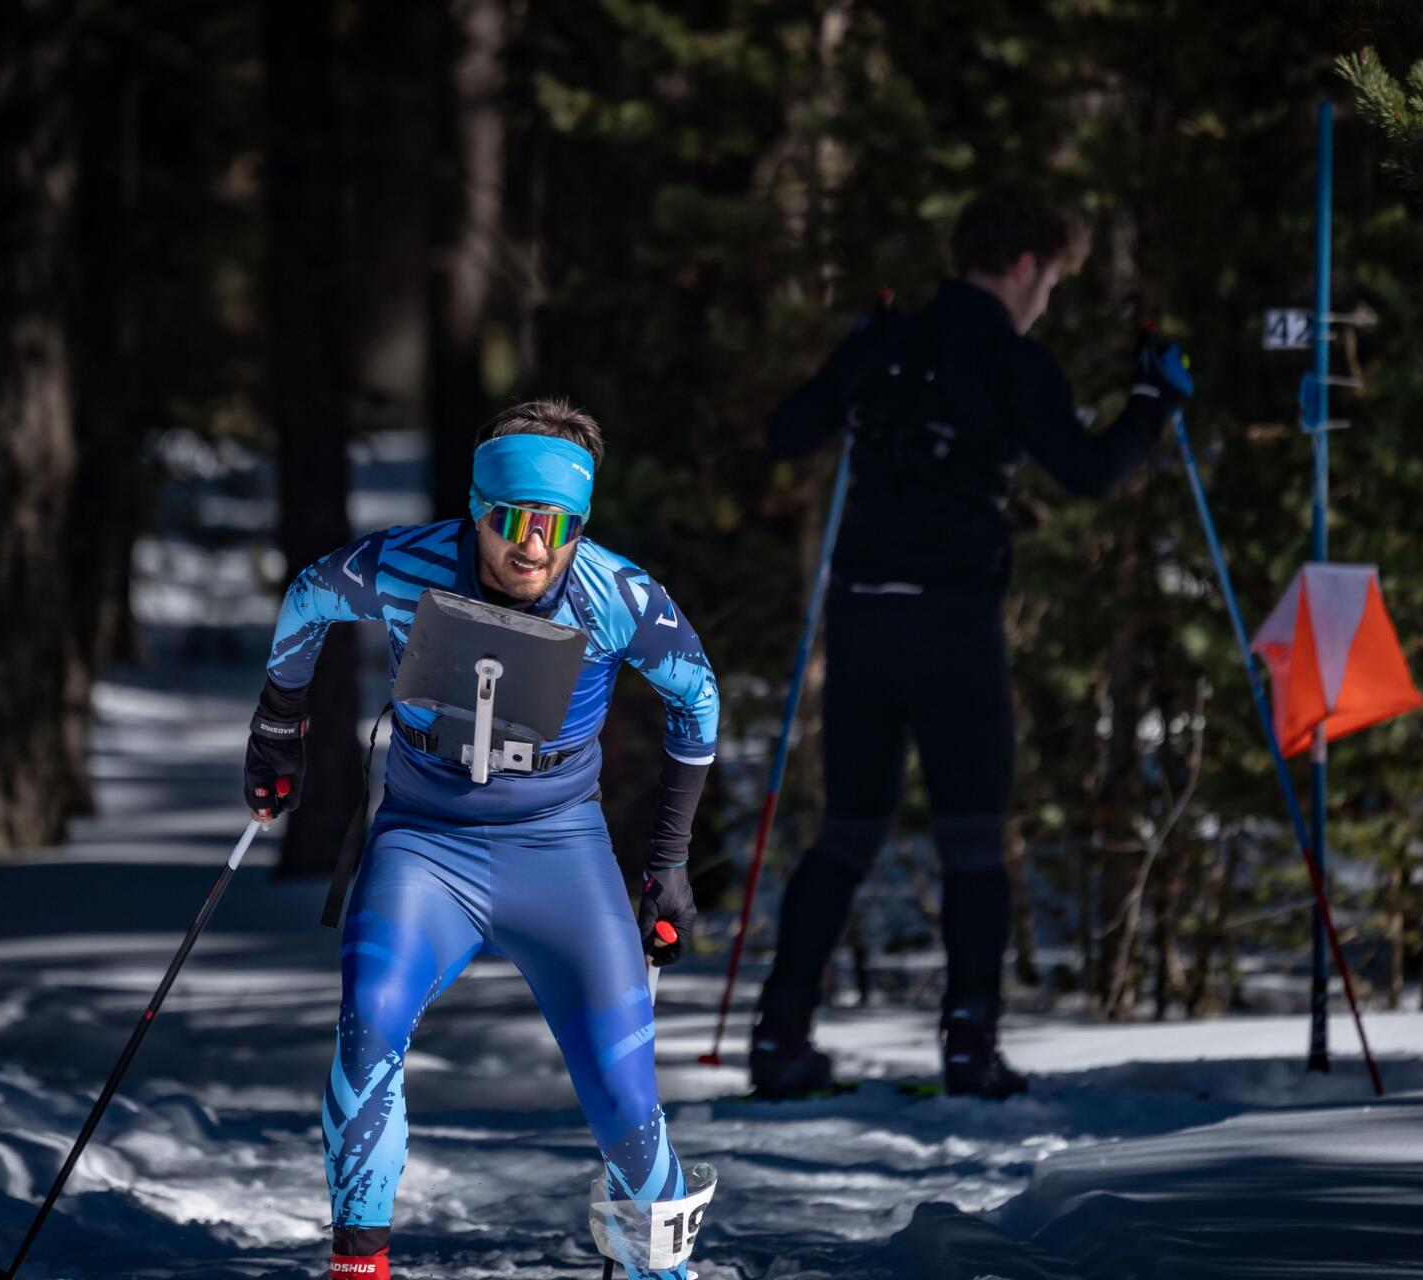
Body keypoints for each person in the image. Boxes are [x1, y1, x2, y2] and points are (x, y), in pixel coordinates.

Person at [244, 400, 718, 1280]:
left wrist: (668, 863)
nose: (532, 546)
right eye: (510, 520)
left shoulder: (617, 595)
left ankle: (666, 1273)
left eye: (556, 525)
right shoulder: (409, 564)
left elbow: (698, 697)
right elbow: (310, 594)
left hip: (560, 850)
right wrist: (278, 728)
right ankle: (360, 1267)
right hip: (427, 844)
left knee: (625, 1094)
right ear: (476, 506)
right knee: (369, 1022)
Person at [750, 185, 1192, 1100]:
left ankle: (780, 1035)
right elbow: (1091, 469)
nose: (1050, 300)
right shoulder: (1010, 358)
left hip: (865, 619)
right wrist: (1153, 397)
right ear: (1025, 265)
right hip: (954, 627)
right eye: (1055, 281)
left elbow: (788, 431)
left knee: (847, 832)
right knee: (974, 842)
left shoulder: (889, 339)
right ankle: (968, 1043)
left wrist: (861, 357)